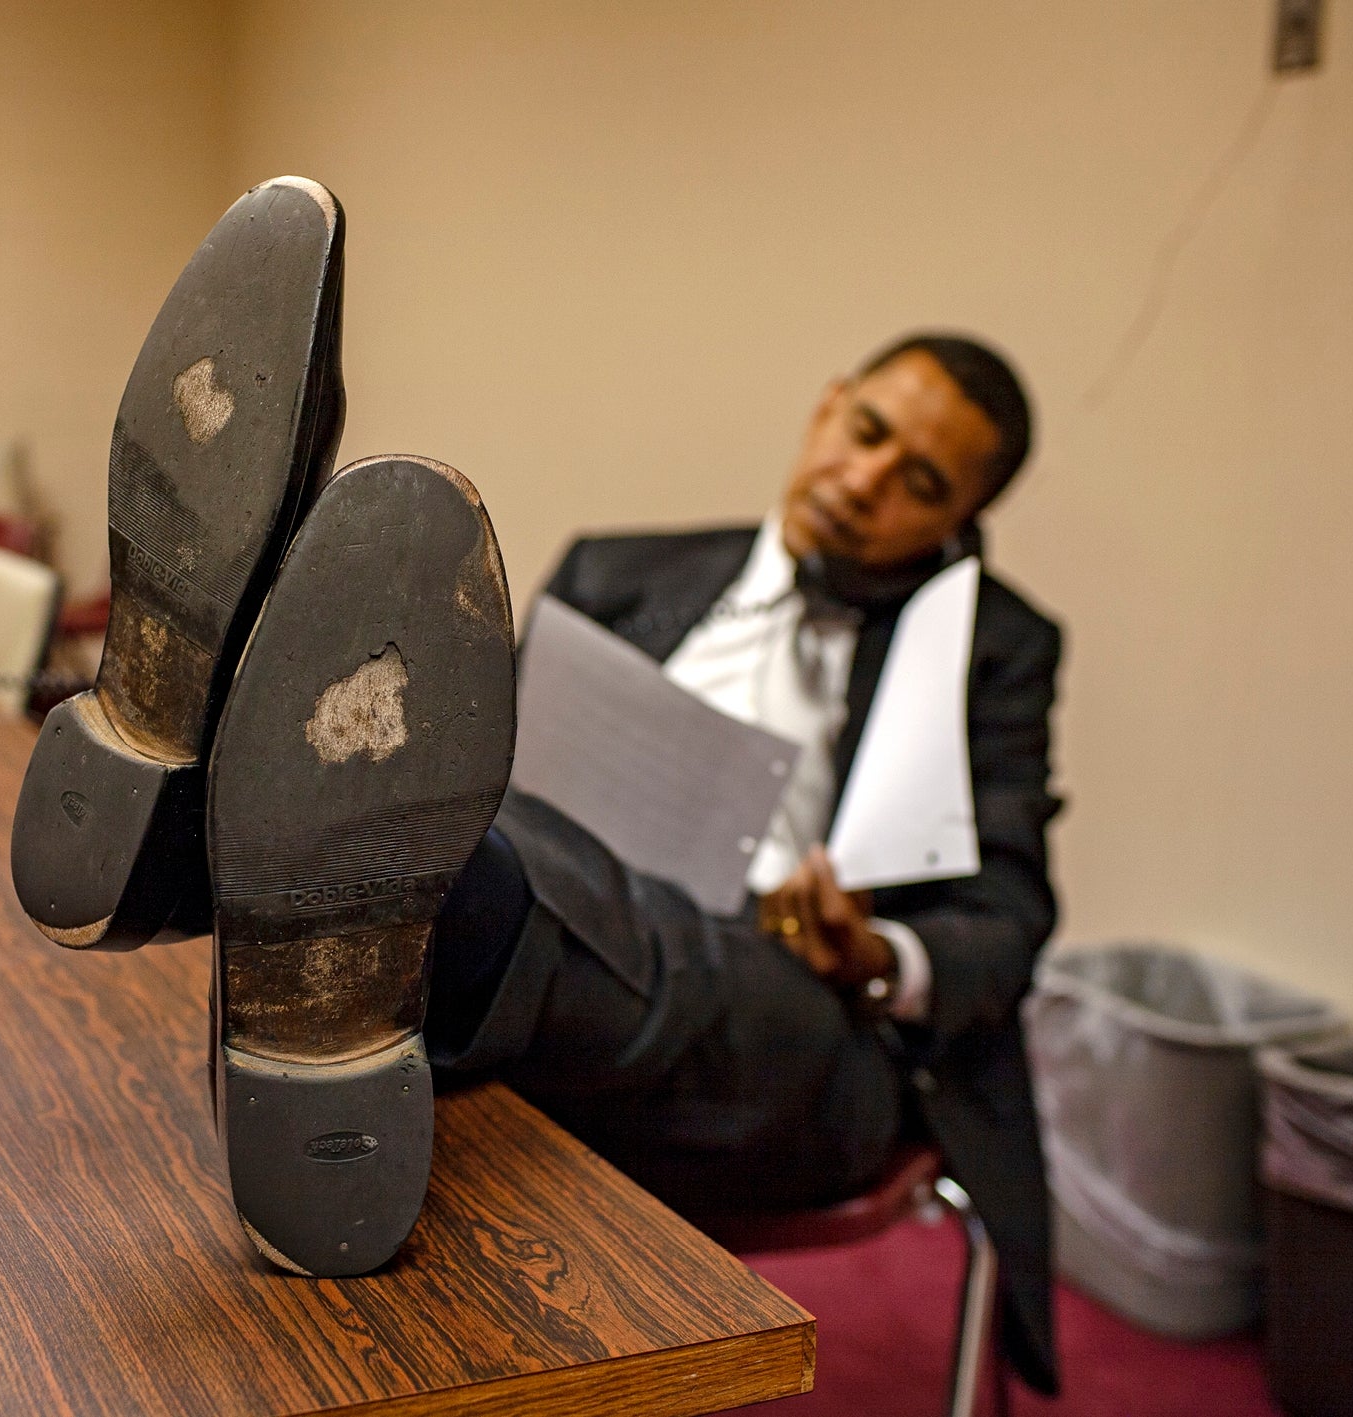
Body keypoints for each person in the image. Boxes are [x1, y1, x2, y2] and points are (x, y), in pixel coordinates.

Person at [425, 332, 1064, 1395]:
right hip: (569, 951)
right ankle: (453, 917)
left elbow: (1007, 919)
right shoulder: (613, 572)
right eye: (866, 431)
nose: (864, 482)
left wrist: (876, 953)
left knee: (472, 895)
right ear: (827, 404)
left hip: (802, 1020)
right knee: (503, 843)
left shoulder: (990, 647)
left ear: (960, 521)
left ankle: (403, 910)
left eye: (919, 484)